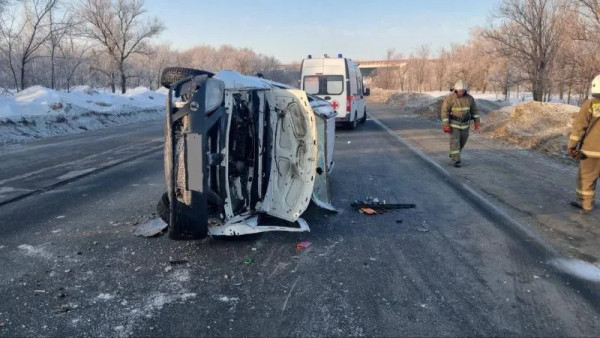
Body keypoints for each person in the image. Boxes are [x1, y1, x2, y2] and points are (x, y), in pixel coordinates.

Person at [568, 74, 600, 213]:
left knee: (586, 179)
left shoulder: (591, 104)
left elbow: (580, 126)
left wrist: (572, 145)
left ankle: (586, 204)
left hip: (590, 152)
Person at [441, 80, 480, 167]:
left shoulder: (470, 99)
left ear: (465, 90)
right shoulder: (450, 99)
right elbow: (444, 112)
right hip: (453, 124)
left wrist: (477, 121)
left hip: (465, 125)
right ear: (456, 90)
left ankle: (454, 153)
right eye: (459, 90)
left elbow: (475, 110)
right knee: (455, 141)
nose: (461, 92)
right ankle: (456, 160)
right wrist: (446, 124)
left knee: (463, 141)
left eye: (462, 90)